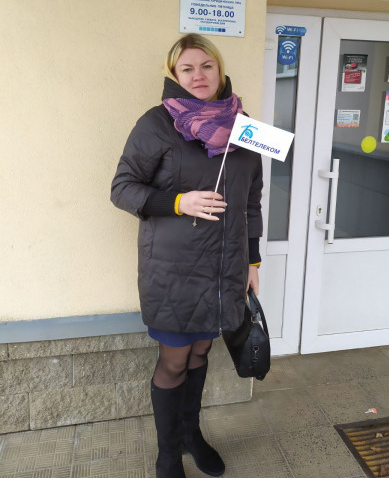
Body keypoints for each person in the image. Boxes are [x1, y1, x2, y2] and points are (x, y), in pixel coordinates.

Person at [110, 33, 263, 478]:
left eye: (206, 66)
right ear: (174, 75)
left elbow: (252, 201)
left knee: (200, 353)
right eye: (187, 69)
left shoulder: (245, 126)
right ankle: (167, 456)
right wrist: (180, 201)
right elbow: (122, 188)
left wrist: (252, 262)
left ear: (219, 70)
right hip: (173, 269)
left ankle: (192, 435)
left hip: (223, 268)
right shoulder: (158, 123)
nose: (199, 76)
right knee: (175, 360)